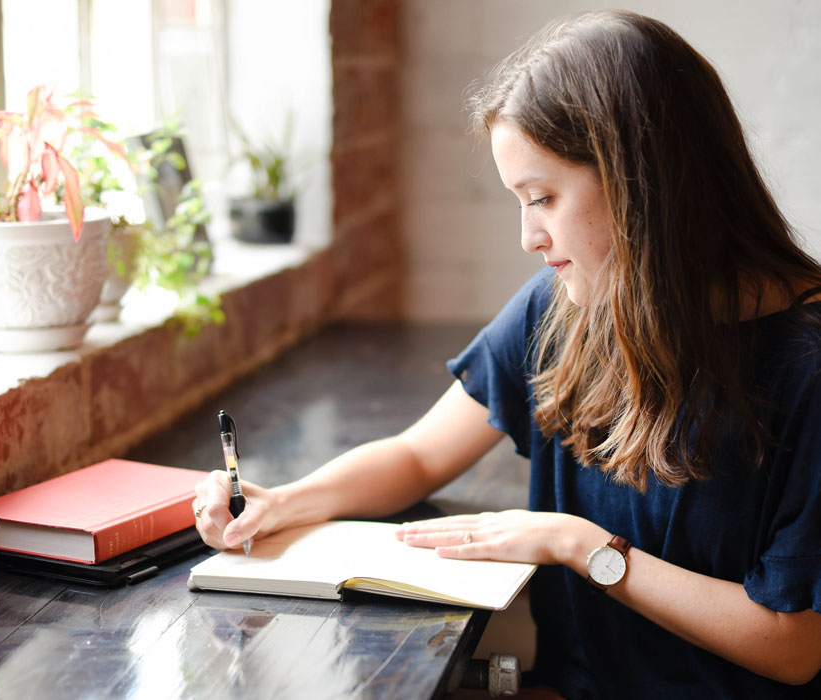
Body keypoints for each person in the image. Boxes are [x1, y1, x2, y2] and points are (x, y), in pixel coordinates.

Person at [194, 10, 821, 698]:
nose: (529, 236)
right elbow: (418, 456)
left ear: (643, 183)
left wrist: (580, 547)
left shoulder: (808, 367)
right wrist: (283, 503)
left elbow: (791, 645)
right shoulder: (563, 307)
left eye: (544, 198)